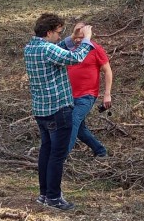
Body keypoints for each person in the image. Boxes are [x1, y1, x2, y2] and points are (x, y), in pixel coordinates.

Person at [24, 13, 94, 210]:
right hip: (58, 109)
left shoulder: (31, 47)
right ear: (48, 32)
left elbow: (55, 51)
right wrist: (86, 40)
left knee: (46, 151)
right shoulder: (47, 49)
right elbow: (75, 58)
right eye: (58, 33)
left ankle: (45, 194)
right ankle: (54, 197)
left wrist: (72, 39)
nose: (59, 36)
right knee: (57, 155)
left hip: (41, 110)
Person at [61, 21, 112, 159]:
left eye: (81, 37)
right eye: (76, 36)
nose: (78, 40)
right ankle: (100, 151)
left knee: (73, 120)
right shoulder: (69, 50)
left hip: (87, 95)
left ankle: (61, 157)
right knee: (80, 129)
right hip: (69, 96)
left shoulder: (95, 49)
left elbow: (107, 71)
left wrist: (107, 94)